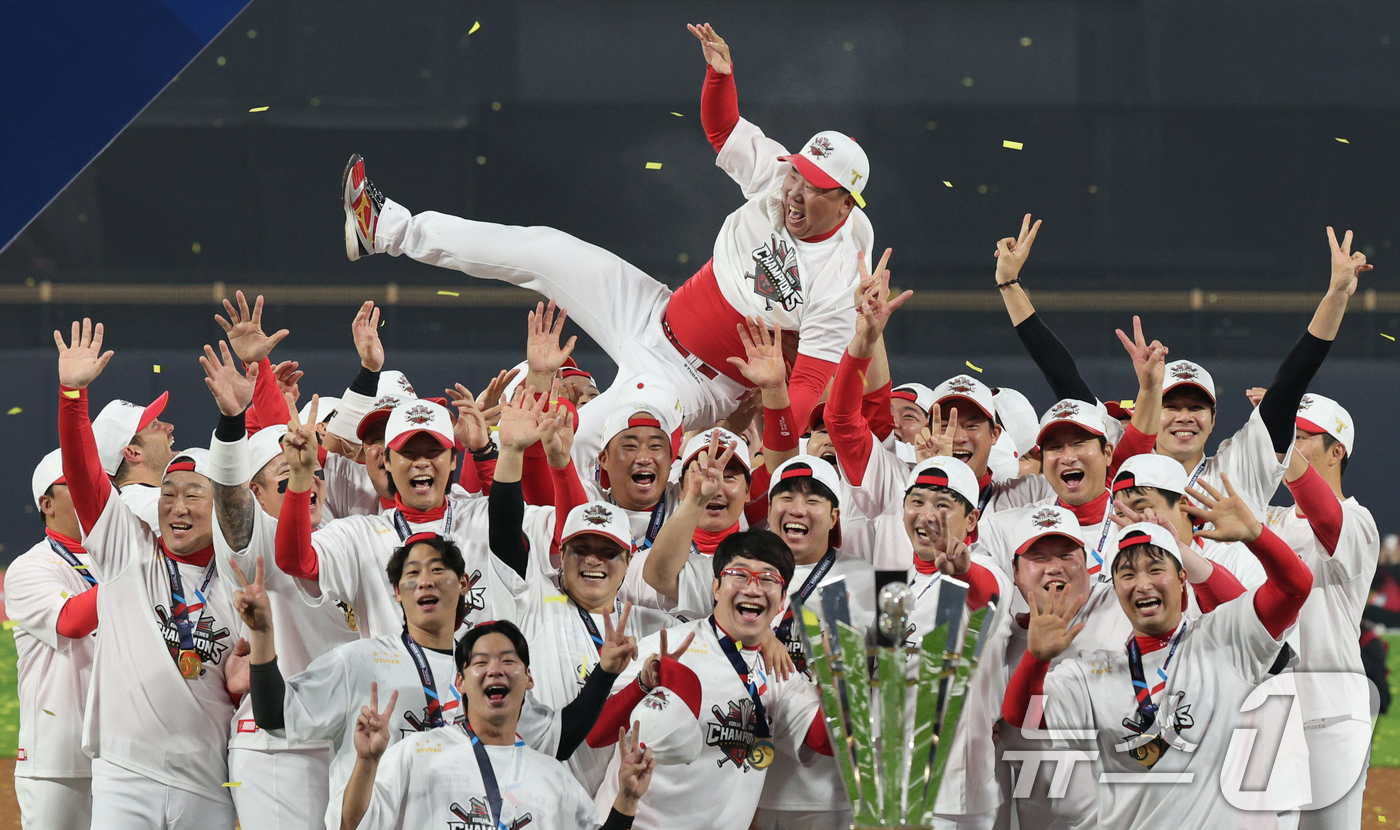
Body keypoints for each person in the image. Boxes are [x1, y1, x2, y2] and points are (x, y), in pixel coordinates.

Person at [340, 21, 878, 466]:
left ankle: (525, 554)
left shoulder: (842, 275)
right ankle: (386, 229)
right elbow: (724, 130)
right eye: (797, 177)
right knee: (542, 248)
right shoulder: (778, 178)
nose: (796, 191)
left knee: (569, 446)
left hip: (687, 382)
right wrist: (720, 78)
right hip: (654, 308)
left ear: (847, 203)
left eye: (815, 187)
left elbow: (808, 384)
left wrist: (775, 425)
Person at [239, 534, 626, 830]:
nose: (426, 581)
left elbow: (558, 739)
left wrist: (606, 672)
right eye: (412, 574)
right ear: (396, 592)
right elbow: (275, 715)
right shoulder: (360, 661)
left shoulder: (484, 675)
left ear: (463, 585)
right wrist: (261, 636)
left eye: (438, 570)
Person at [1002, 475, 1313, 829]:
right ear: (1115, 587)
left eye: (1155, 569)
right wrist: (1036, 659)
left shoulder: (1223, 638)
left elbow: (1294, 588)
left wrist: (1257, 535)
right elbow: (1024, 719)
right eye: (1128, 574)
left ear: (1182, 579)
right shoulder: (1091, 674)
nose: (1143, 584)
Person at [55, 319, 246, 829]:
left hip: (210, 782)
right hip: (125, 774)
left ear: (220, 508)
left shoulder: (238, 581)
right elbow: (82, 473)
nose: (177, 507)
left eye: (193, 495)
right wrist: (72, 394)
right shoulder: (126, 551)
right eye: (168, 495)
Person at [200, 339, 362, 830]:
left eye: (312, 474)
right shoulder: (253, 540)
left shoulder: (341, 531)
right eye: (287, 478)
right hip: (279, 745)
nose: (306, 483)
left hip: (341, 738)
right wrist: (233, 422)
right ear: (256, 491)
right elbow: (230, 498)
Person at [586, 530, 835, 830]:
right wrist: (643, 684)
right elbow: (596, 734)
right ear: (716, 587)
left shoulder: (778, 670)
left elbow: (822, 740)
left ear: (782, 599)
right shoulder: (670, 647)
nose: (753, 589)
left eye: (768, 579)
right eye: (739, 575)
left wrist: (835, 678)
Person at [338, 621, 655, 830]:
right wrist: (366, 762)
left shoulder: (555, 779)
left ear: (529, 678)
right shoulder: (417, 754)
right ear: (460, 681)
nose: (495, 670)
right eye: (480, 662)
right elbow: (353, 825)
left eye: (507, 660)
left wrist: (627, 798)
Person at [1263, 393, 1379, 828]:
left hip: (1330, 715)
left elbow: (1326, 521)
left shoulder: (1358, 521)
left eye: (1300, 437)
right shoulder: (1266, 518)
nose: (1287, 444)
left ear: (1336, 452)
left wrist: (1281, 442)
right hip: (1267, 718)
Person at [7, 450, 99, 829]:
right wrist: (135, 567)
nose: (90, 489)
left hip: (125, 757)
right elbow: (70, 621)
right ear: (46, 504)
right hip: (57, 758)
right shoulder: (31, 567)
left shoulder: (115, 558)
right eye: (73, 483)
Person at [91, 389, 175, 529]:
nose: (168, 427)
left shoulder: (138, 501)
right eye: (154, 425)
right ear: (133, 453)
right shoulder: (148, 506)